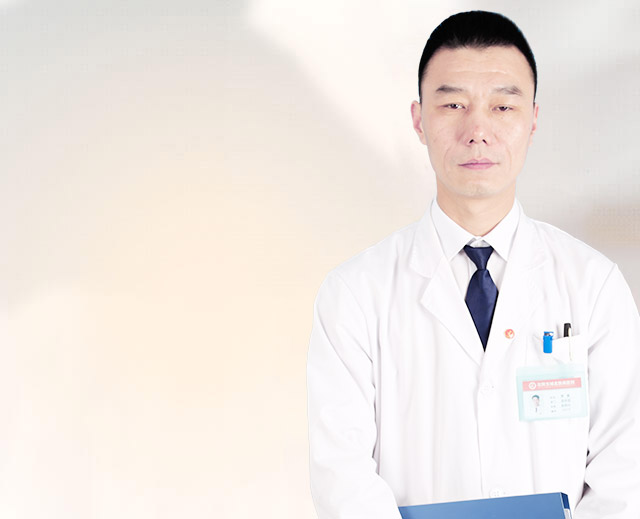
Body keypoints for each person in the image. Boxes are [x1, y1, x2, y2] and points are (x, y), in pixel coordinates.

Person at [307, 10, 640, 519]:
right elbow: (342, 479)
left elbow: (625, 474)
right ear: (419, 120)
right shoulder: (355, 294)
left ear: (533, 119)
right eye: (453, 104)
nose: (477, 130)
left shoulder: (594, 286)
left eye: (503, 106)